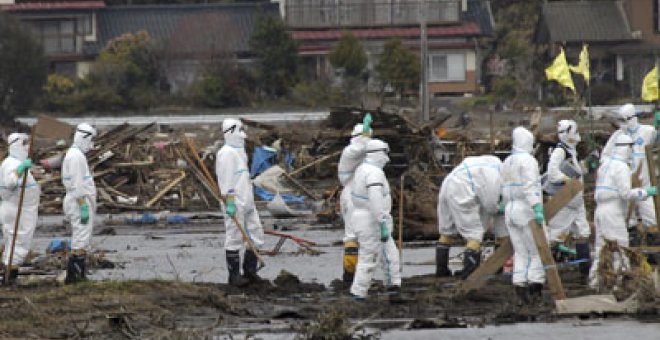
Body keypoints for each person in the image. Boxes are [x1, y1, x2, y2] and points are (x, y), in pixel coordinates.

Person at [590, 134, 657, 288]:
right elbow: (625, 193)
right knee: (620, 245)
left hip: (599, 210)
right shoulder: (621, 167)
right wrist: (646, 192)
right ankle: (621, 282)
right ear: (626, 148)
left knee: (600, 247)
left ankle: (595, 282)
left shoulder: (605, 164)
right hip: (612, 210)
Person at [436, 155, 506, 278]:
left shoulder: (484, 165)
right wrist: (499, 208)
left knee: (446, 231)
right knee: (474, 234)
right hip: (462, 188)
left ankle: (441, 271)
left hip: (448, 184)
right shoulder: (496, 173)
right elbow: (490, 203)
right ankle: (470, 274)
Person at [350, 139, 401, 300]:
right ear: (377, 154)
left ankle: (393, 287)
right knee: (369, 258)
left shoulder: (362, 169)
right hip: (372, 222)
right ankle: (358, 293)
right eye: (385, 154)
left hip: (367, 219)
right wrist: (382, 222)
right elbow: (375, 199)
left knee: (390, 255)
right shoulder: (374, 173)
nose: (388, 159)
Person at [217, 118, 265, 287]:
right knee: (234, 237)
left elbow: (243, 177)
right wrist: (229, 202)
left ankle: (250, 272)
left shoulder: (240, 152)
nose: (242, 136)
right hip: (234, 202)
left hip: (248, 200)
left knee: (256, 234)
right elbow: (226, 181)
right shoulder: (226, 153)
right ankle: (234, 276)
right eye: (238, 132)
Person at [502, 127, 545, 305]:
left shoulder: (508, 161)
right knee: (536, 250)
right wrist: (537, 207)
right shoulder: (528, 161)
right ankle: (535, 287)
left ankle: (519, 287)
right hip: (525, 209)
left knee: (520, 251)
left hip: (510, 210)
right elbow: (530, 186)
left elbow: (502, 185)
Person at [544, 120, 591, 278]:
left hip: (576, 202)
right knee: (556, 237)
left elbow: (577, 170)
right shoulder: (560, 151)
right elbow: (552, 174)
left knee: (583, 233)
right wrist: (567, 180)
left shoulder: (571, 151)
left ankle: (585, 273)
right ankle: (544, 271)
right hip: (565, 202)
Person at [601, 104, 657, 233]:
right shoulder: (617, 136)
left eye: (624, 120)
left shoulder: (647, 131)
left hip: (644, 185)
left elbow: (656, 139)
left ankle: (653, 249)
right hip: (625, 185)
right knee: (628, 219)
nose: (622, 124)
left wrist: (657, 127)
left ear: (633, 118)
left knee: (651, 218)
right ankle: (632, 247)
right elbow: (605, 156)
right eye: (620, 120)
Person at [0, 133, 40, 285]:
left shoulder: (13, 162)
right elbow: (10, 182)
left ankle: (8, 272)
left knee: (14, 241)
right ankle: (10, 276)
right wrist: (21, 168)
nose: (27, 147)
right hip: (17, 210)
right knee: (19, 241)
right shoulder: (12, 164)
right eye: (24, 144)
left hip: (21, 209)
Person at [338, 115, 372, 283]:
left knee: (362, 235)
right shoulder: (351, 151)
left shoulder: (364, 152)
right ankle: (349, 276)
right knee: (352, 235)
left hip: (362, 193)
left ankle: (359, 274)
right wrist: (365, 134)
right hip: (352, 195)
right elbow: (359, 147)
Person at [62, 123, 97, 284]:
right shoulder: (76, 156)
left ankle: (75, 276)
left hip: (78, 200)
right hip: (78, 202)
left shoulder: (75, 154)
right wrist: (83, 204)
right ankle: (76, 277)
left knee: (80, 237)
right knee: (81, 238)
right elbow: (77, 184)